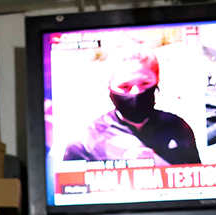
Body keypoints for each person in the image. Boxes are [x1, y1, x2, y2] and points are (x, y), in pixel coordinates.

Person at [63, 41, 201, 166]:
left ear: (157, 82)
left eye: (145, 83)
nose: (136, 93)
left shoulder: (178, 128)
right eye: (125, 86)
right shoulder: (87, 141)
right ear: (109, 87)